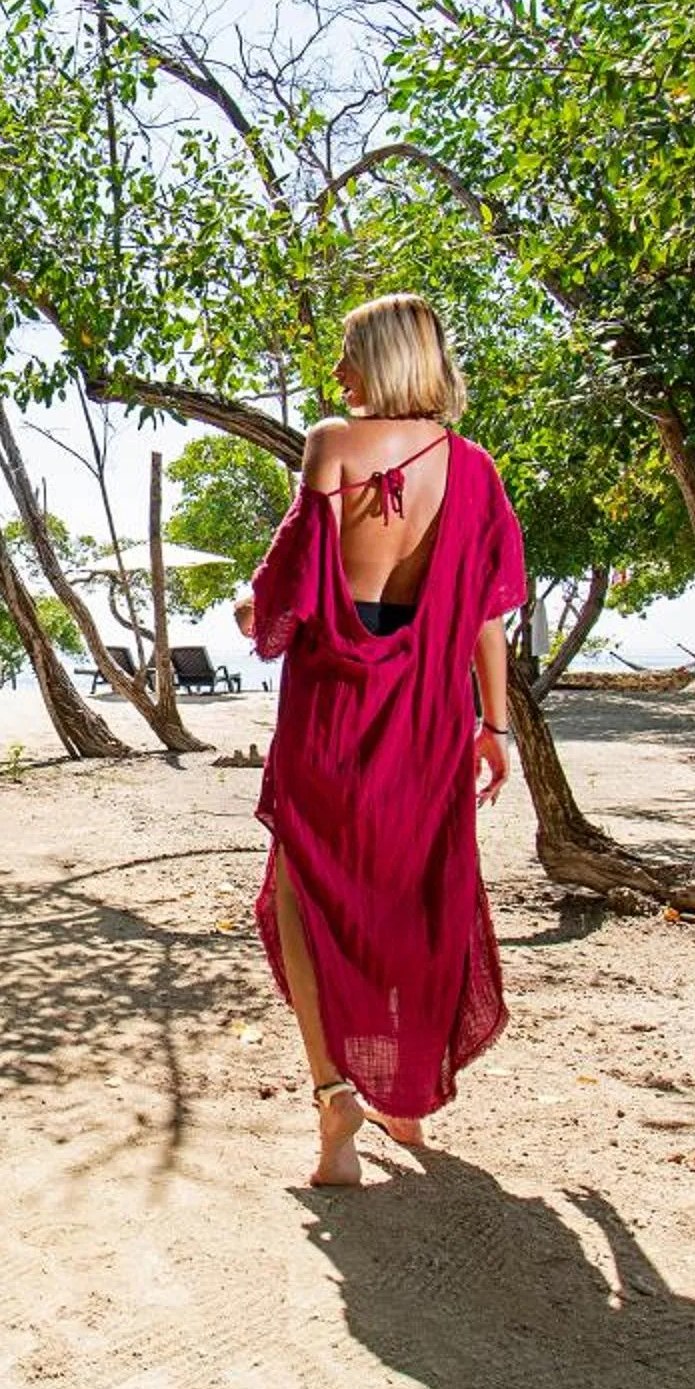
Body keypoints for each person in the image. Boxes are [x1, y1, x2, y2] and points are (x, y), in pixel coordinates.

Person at [236, 293, 526, 1187]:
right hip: (428, 716)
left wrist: (249, 609)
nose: (338, 373)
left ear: (387, 359)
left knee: (304, 889)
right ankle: (405, 1097)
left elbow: (286, 591)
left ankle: (336, 1100)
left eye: (350, 353)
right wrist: (494, 726)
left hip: (331, 708)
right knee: (408, 894)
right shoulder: (473, 470)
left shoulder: (332, 443)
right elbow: (485, 616)